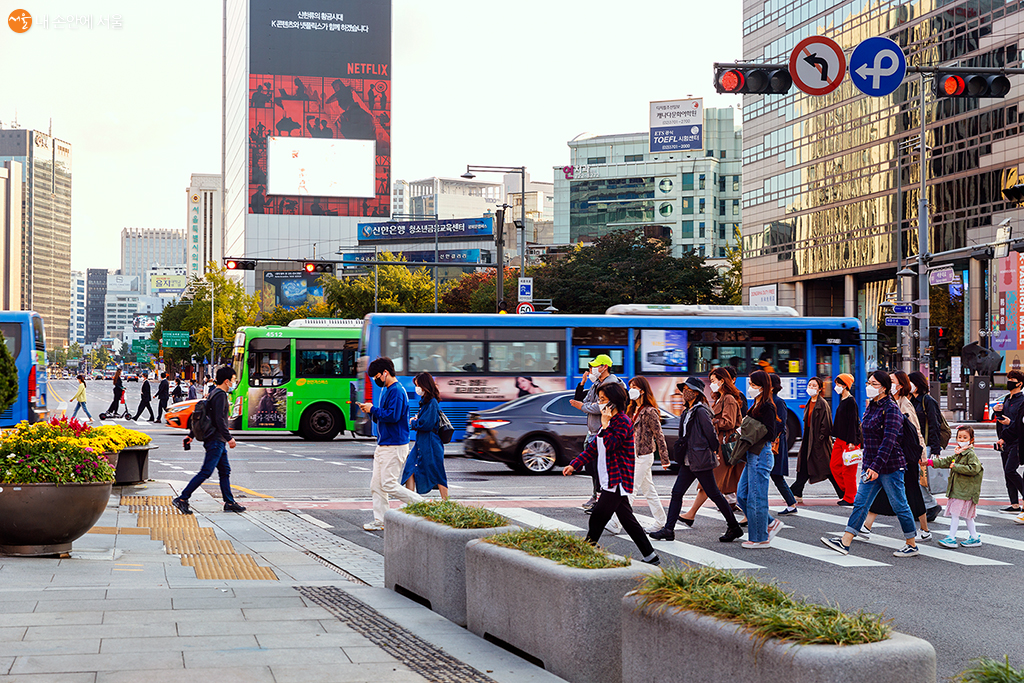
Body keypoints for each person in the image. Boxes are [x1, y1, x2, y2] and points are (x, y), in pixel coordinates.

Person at [820, 370, 920, 557]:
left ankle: (911, 543)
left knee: (899, 505)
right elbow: (867, 437)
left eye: (874, 384)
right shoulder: (872, 406)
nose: (869, 387)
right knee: (860, 503)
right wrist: (868, 465)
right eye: (869, 383)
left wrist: (875, 466)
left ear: (884, 388)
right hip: (871, 466)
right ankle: (845, 541)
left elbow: (889, 441)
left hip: (890, 467)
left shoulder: (891, 409)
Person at [563, 383, 661, 565]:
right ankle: (651, 556)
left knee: (598, 516)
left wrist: (605, 424)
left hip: (618, 479)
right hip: (610, 479)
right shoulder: (609, 422)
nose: (599, 403)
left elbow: (610, 444)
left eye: (602, 400)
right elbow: (594, 448)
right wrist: (574, 465)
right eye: (599, 399)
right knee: (627, 520)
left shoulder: (622, 422)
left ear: (613, 402)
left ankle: (587, 549)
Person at [649, 377, 743, 543]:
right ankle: (669, 530)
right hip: (689, 459)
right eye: (684, 389)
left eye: (689, 389)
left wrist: (713, 450)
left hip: (700, 459)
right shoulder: (687, 411)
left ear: (696, 393)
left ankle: (734, 527)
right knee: (677, 492)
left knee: (714, 494)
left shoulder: (700, 411)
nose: (685, 392)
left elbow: (710, 433)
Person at [358, 357, 424, 531]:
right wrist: (370, 411)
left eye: (376, 376)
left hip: (395, 445)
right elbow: (383, 416)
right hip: (384, 444)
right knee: (376, 485)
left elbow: (392, 416)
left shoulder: (397, 391)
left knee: (388, 484)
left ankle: (422, 504)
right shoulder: (387, 390)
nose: (376, 380)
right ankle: (380, 521)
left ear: (385, 373)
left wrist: (372, 409)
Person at [172, 366, 247, 515]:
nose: (234, 383)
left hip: (217, 440)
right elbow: (219, 420)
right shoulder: (220, 395)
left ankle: (229, 502)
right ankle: (182, 498)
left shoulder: (213, 393)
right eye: (233, 380)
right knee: (206, 471)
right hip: (215, 440)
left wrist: (191, 435)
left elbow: (204, 416)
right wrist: (229, 438)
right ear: (226, 381)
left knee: (225, 471)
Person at [679, 367, 743, 526]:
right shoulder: (720, 398)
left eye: (714, 381)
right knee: (716, 485)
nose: (711, 384)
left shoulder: (729, 399)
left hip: (724, 445)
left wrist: (710, 422)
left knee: (711, 484)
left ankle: (692, 513)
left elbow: (729, 422)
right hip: (719, 443)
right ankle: (692, 514)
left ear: (722, 381)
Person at [569, 354, 626, 513]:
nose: (592, 369)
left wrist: (582, 407)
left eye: (595, 366)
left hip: (605, 430)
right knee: (593, 468)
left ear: (605, 367)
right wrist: (583, 387)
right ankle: (598, 498)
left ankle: (602, 501)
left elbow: (601, 407)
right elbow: (587, 401)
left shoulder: (611, 385)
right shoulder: (597, 384)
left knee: (601, 469)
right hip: (593, 431)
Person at [734, 370, 783, 549]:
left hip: (761, 454)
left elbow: (771, 433)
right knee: (742, 495)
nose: (750, 387)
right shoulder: (756, 403)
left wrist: (750, 429)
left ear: (762, 387)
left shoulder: (767, 406)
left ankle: (760, 538)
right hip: (752, 454)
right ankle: (769, 523)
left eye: (753, 385)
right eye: (750, 384)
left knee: (756, 497)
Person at [928, 426, 984, 549]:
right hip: (961, 490)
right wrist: (930, 462)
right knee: (967, 516)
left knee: (955, 514)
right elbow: (947, 461)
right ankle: (974, 537)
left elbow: (974, 469)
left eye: (965, 437)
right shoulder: (959, 453)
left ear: (971, 439)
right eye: (959, 437)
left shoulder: (970, 454)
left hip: (964, 491)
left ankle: (951, 538)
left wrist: (956, 467)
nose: (962, 439)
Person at [627, 376, 669, 532]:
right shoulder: (632, 409)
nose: (631, 390)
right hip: (633, 454)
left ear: (643, 391)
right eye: (630, 387)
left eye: (634, 387)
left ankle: (616, 523)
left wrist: (664, 459)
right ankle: (661, 521)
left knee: (631, 488)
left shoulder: (650, 411)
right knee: (649, 491)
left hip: (644, 455)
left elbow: (659, 435)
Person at [790, 377, 839, 504]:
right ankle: (796, 492)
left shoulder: (822, 404)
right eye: (809, 385)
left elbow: (827, 425)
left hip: (818, 441)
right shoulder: (809, 402)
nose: (811, 388)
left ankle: (842, 493)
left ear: (820, 389)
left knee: (826, 468)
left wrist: (819, 439)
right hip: (808, 438)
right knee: (803, 465)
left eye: (814, 386)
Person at [401, 372, 449, 500]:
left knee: (437, 472)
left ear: (425, 386)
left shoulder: (432, 403)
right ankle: (410, 501)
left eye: (418, 385)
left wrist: (413, 422)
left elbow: (427, 424)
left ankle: (446, 502)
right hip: (422, 443)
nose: (417, 389)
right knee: (409, 469)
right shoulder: (425, 402)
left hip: (431, 444)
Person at [908, 371, 944, 521]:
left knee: (921, 479)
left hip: (926, 445)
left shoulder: (927, 400)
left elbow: (935, 425)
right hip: (914, 445)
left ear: (917, 384)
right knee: (914, 478)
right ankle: (923, 506)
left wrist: (935, 449)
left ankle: (931, 505)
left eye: (910, 382)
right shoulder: (910, 400)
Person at [993, 369, 1024, 514]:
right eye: (1008, 380)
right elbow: (1002, 419)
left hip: (1017, 440)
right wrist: (997, 412)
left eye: (1012, 380)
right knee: (1007, 473)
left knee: (1010, 470)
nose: (1009, 382)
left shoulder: (1022, 401)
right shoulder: (1007, 399)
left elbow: (1019, 423)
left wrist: (1009, 423)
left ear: (1020, 384)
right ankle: (1014, 504)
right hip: (1004, 439)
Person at [830, 373, 862, 507]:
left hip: (849, 441)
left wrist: (852, 442)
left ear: (845, 386)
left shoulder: (850, 402)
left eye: (838, 384)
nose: (836, 386)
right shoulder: (843, 400)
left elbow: (853, 422)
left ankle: (850, 497)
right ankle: (848, 490)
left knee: (848, 471)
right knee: (834, 466)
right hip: (840, 439)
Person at [769, 374, 799, 515]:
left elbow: (780, 424)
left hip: (775, 444)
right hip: (771, 443)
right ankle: (791, 503)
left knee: (776, 475)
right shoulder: (767, 400)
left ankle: (791, 504)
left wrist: (770, 436)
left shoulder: (778, 402)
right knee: (774, 475)